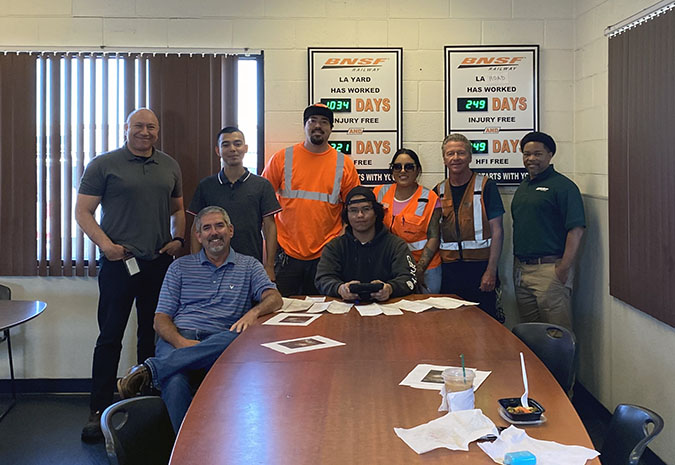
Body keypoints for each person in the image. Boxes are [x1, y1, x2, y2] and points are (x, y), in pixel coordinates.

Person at [116, 206, 282, 432]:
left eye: (219, 226)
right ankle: (186, 453)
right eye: (207, 228)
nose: (214, 233)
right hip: (180, 336)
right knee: (174, 382)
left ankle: (152, 369)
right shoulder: (179, 268)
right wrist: (181, 344)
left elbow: (274, 299)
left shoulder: (249, 265)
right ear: (198, 236)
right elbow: (161, 319)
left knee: (238, 337)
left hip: (222, 340)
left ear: (230, 230)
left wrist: (253, 313)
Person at [75, 108, 186, 442]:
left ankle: (145, 404)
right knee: (110, 336)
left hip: (157, 264)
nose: (145, 131)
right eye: (138, 125)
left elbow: (178, 208)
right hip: (118, 263)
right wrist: (107, 246)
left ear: (158, 130)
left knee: (150, 336)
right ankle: (97, 411)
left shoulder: (169, 165)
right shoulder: (104, 164)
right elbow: (82, 211)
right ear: (126, 128)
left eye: (151, 126)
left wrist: (178, 239)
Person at [262, 104, 360, 296]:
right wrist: (268, 260)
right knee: (282, 313)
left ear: (331, 129)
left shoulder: (344, 164)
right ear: (304, 125)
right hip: (285, 254)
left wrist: (343, 236)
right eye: (312, 120)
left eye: (324, 122)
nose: (318, 126)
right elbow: (262, 201)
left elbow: (355, 207)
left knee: (326, 313)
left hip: (326, 255)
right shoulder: (282, 158)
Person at [512, 131, 585, 330]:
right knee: (531, 334)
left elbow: (576, 230)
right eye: (527, 154)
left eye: (537, 153)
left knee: (556, 336)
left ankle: (559, 364)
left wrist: (563, 269)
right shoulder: (524, 186)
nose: (531, 159)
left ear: (550, 155)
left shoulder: (563, 187)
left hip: (550, 271)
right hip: (522, 271)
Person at [188, 126, 281, 280]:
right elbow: (195, 228)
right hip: (212, 266)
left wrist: (269, 266)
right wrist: (196, 264)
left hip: (250, 265)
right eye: (226, 144)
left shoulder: (262, 185)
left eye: (237, 144)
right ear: (218, 150)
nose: (232, 149)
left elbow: (270, 227)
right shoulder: (206, 186)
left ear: (245, 148)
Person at [433, 133, 505, 321]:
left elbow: (497, 231)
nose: (455, 158)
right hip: (449, 272)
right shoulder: (438, 191)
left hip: (480, 270)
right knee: (451, 325)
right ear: (444, 159)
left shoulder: (486, 186)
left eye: (461, 153)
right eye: (450, 154)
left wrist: (491, 271)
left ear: (470, 157)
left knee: (485, 327)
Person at [315, 186, 417, 301]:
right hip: (345, 312)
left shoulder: (396, 245)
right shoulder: (334, 247)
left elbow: (409, 279)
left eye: (366, 209)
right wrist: (340, 289)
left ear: (376, 212)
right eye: (353, 210)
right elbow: (322, 279)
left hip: (388, 311)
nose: (360, 215)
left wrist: (390, 288)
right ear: (346, 216)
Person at [373, 149, 442, 293]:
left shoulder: (430, 198)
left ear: (418, 170)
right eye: (397, 167)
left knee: (427, 312)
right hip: (391, 267)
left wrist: (419, 269)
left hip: (425, 268)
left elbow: (434, 237)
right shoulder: (379, 193)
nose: (402, 171)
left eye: (409, 166)